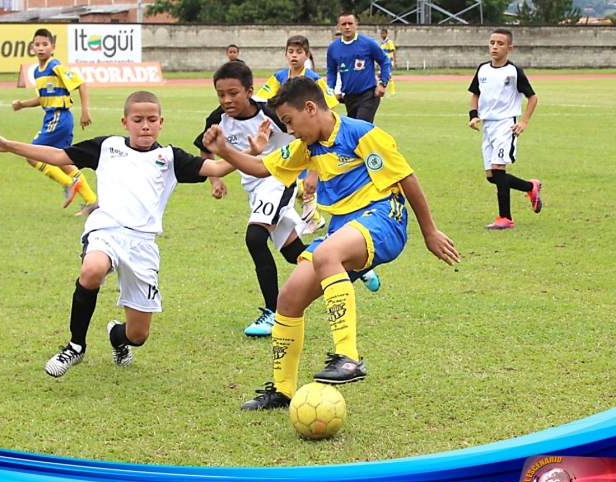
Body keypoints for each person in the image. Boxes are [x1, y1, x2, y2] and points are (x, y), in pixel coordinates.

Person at [201, 76, 460, 410]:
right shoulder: (306, 147)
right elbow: (261, 166)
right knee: (288, 298)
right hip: (343, 230)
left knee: (325, 253)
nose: (290, 130)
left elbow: (406, 178)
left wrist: (430, 231)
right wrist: (224, 150)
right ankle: (283, 390)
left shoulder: (362, 133)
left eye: (290, 122)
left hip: (383, 219)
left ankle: (349, 357)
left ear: (310, 108)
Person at [0, 91, 263, 378]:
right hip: (106, 230)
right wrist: (10, 146)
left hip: (143, 245)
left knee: (138, 334)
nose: (145, 125)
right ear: (125, 123)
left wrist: (251, 151)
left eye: (151, 119)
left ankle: (116, 337)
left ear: (161, 122)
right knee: (92, 269)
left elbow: (217, 167)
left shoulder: (170, 157)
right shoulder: (107, 146)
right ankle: (75, 346)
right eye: (138, 120)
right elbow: (60, 155)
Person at [194, 61, 309, 338]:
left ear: (249, 91)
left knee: (255, 238)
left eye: (233, 93)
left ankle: (274, 313)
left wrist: (312, 173)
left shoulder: (270, 113)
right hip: (254, 187)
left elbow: (307, 136)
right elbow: (206, 150)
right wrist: (216, 180)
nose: (226, 100)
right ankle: (348, 265)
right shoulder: (217, 118)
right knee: (294, 253)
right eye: (221, 94)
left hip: (279, 179)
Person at [254, 34, 339, 236]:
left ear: (307, 55)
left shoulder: (315, 80)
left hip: (310, 136)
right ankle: (313, 216)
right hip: (288, 135)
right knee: (291, 177)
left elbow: (330, 107)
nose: (294, 56)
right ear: (285, 54)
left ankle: (316, 215)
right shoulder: (279, 77)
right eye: (291, 52)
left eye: (299, 52)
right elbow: (262, 99)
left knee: (307, 177)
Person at [12, 28, 98, 216]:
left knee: (32, 155)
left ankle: (70, 183)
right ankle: (92, 201)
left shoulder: (55, 66)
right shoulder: (37, 73)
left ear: (53, 47)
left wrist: (85, 111)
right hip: (52, 118)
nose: (41, 48)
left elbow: (81, 84)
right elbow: (43, 98)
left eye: (45, 44)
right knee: (61, 161)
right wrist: (23, 105)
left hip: (59, 117)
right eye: (37, 45)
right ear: (32, 48)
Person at [468, 28, 541, 230]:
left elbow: (532, 97)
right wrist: (473, 116)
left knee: (499, 170)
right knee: (492, 176)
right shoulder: (482, 69)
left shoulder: (514, 71)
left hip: (505, 125)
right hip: (488, 126)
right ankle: (530, 187)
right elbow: (475, 94)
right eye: (492, 43)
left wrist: (524, 122)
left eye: (500, 44)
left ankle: (505, 218)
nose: (495, 47)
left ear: (509, 48)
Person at [327, 12, 391, 123]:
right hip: (349, 97)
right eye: (343, 24)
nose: (347, 27)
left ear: (356, 25)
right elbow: (331, 71)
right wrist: (330, 89)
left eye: (350, 23)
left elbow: (384, 61)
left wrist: (383, 83)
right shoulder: (333, 48)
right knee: (355, 132)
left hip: (368, 94)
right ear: (338, 26)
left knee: (361, 126)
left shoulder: (368, 43)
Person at [379, 28, 397, 96]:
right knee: (380, 75)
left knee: (389, 76)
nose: (382, 35)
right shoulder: (382, 43)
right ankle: (382, 91)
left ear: (386, 34)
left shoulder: (389, 42)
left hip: (388, 61)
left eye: (383, 33)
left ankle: (392, 93)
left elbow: (393, 50)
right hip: (383, 62)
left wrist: (395, 60)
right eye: (381, 33)